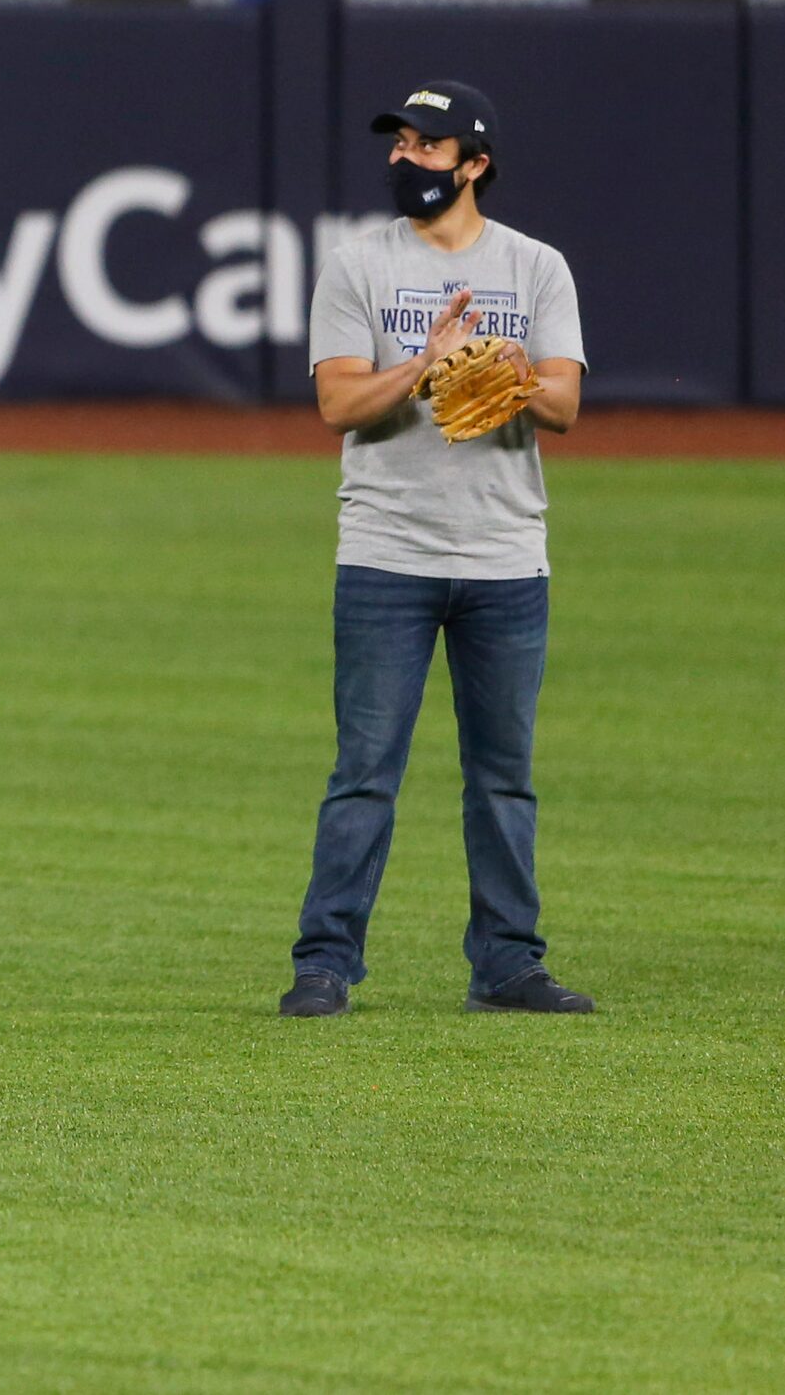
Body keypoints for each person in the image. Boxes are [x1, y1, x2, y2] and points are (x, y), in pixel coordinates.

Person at [283, 79, 593, 1018]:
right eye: (399, 143)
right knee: (363, 773)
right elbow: (337, 403)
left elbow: (567, 406)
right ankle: (324, 963)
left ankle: (507, 964)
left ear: (473, 163)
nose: (402, 157)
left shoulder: (536, 268)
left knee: (502, 778)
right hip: (386, 553)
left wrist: (502, 374)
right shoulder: (356, 266)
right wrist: (424, 365)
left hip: (504, 557)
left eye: (424, 145)